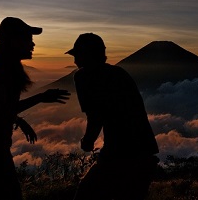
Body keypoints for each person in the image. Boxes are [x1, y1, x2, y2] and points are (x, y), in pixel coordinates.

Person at [0, 17, 70, 200]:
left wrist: (19, 121)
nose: (33, 44)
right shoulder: (4, 70)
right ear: (14, 41)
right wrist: (41, 98)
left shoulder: (4, 67)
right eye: (28, 39)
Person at [66, 33, 159, 200]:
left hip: (120, 152)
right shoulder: (119, 73)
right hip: (143, 150)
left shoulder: (84, 77)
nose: (75, 61)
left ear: (88, 55)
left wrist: (88, 140)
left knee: (86, 194)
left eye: (77, 55)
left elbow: (95, 115)